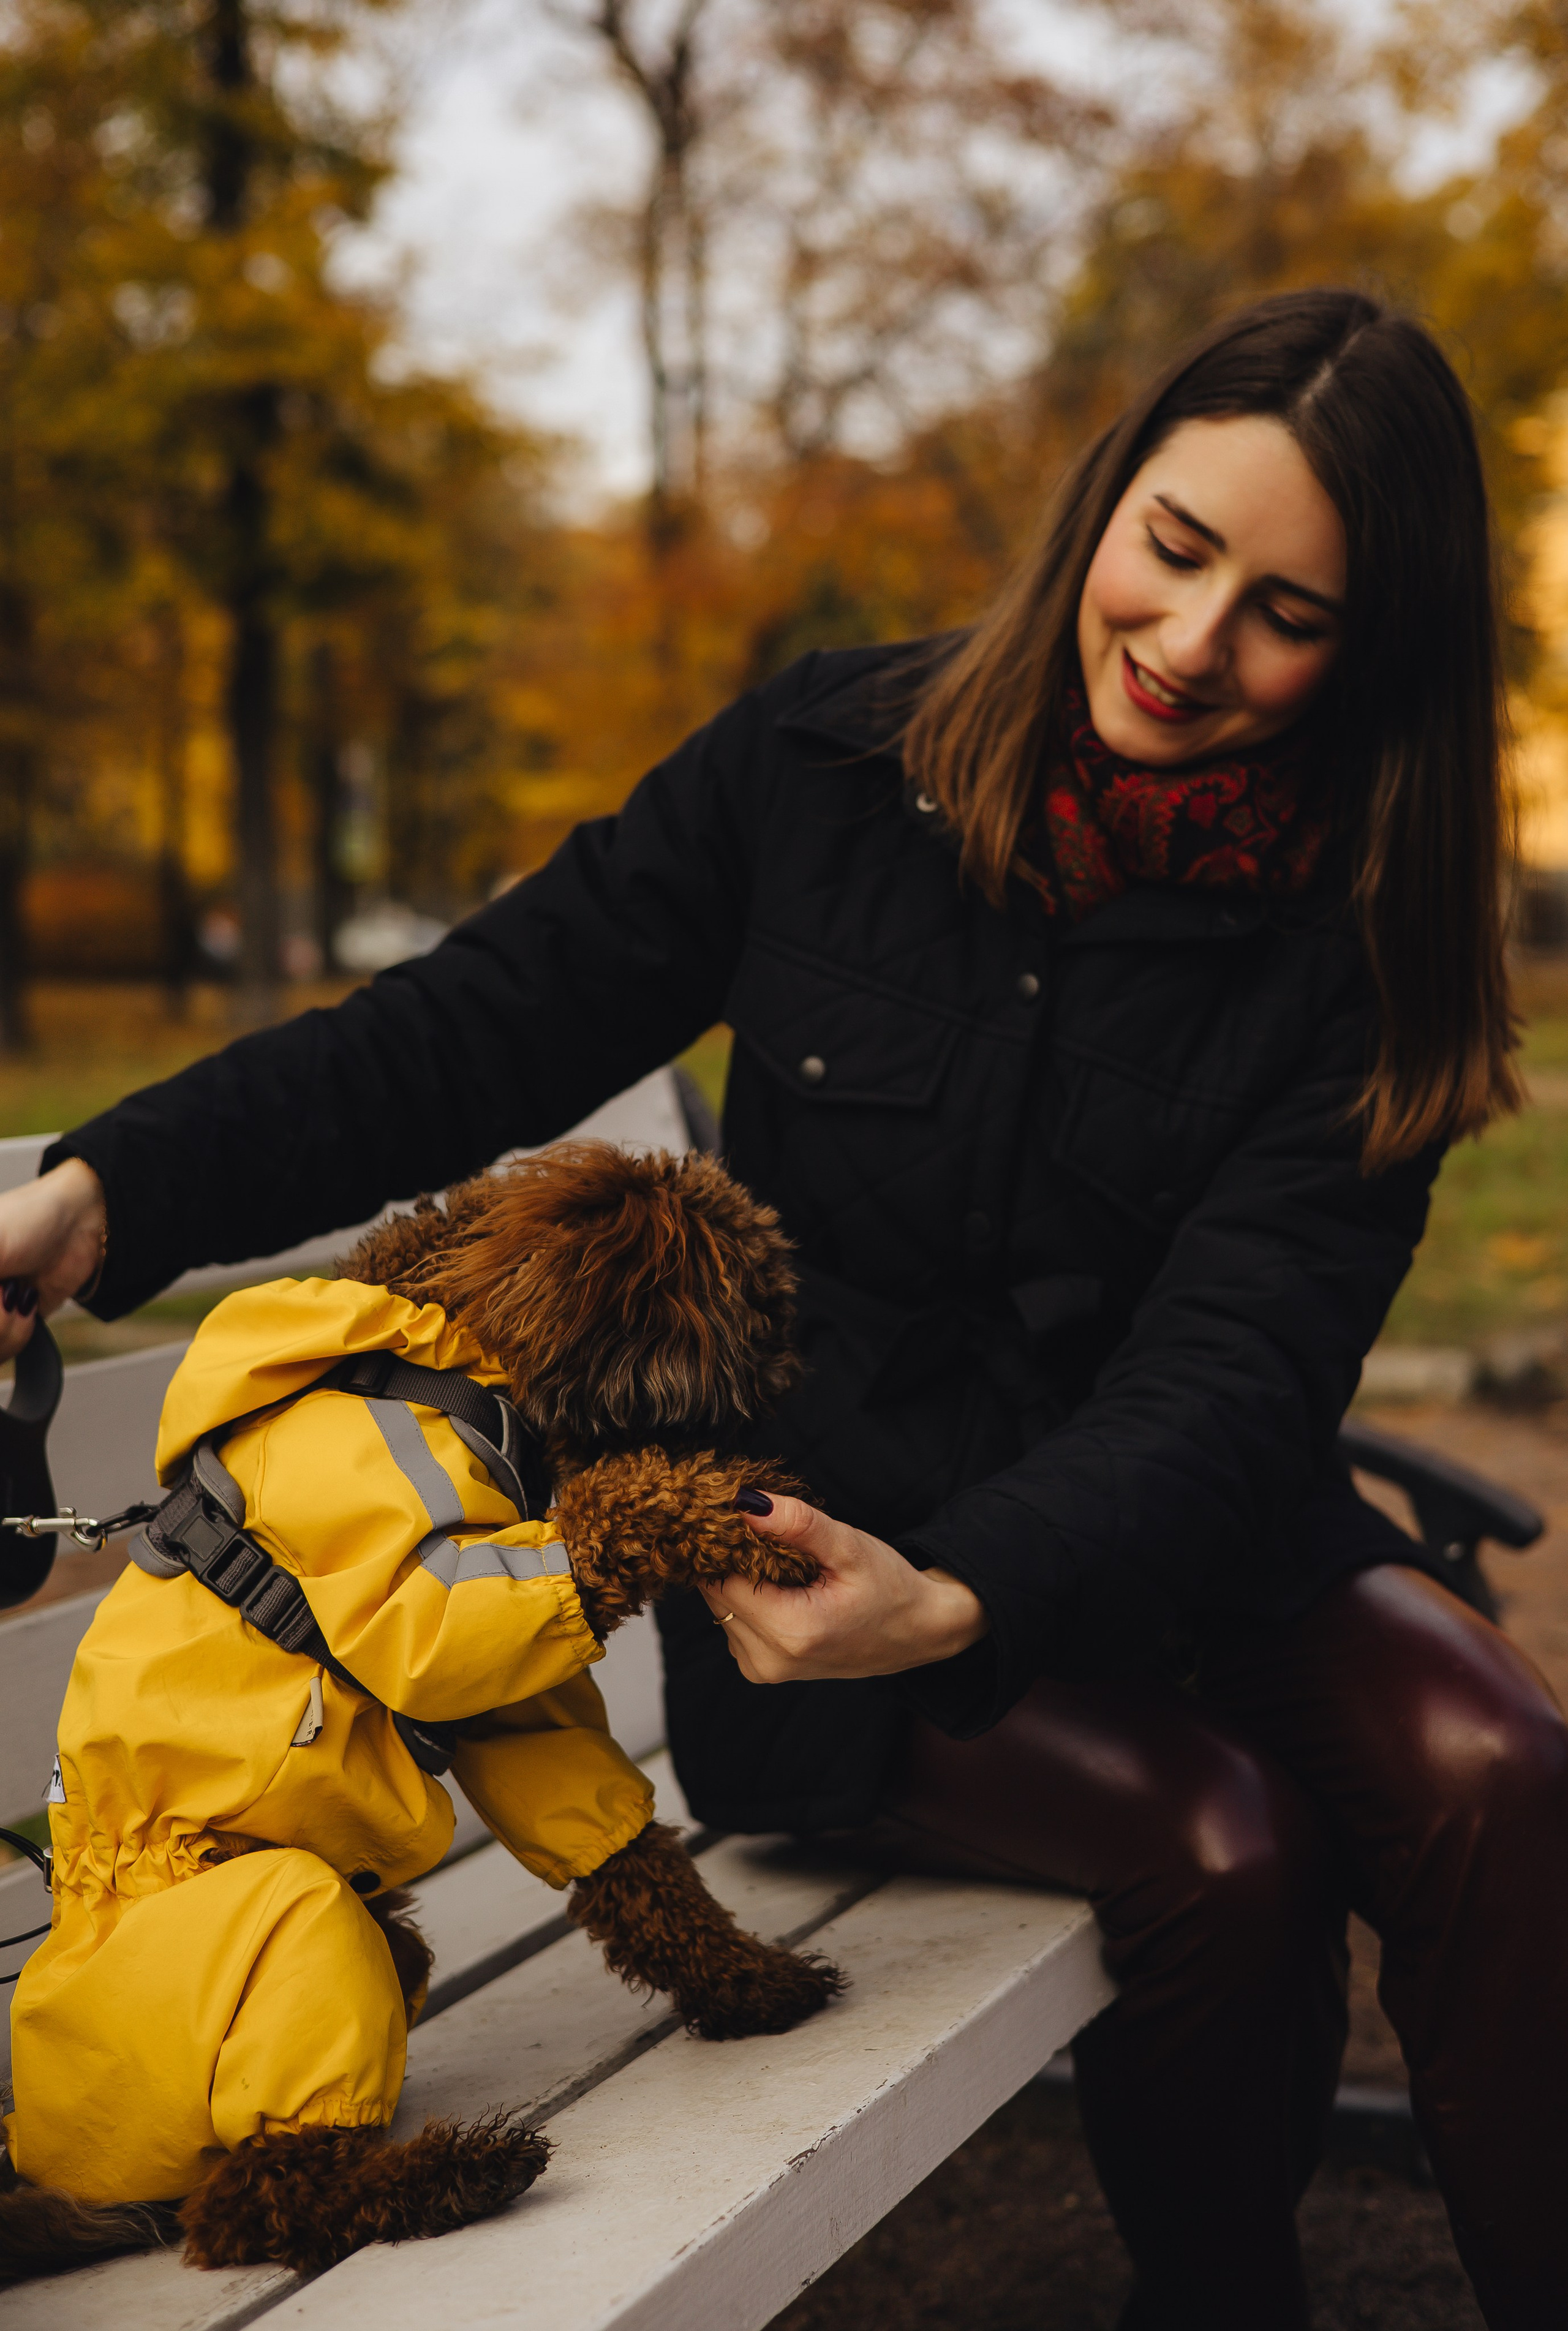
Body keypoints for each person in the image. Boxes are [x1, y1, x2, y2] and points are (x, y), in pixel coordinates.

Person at [2, 288, 1561, 2329]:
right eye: (1176, 552)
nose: (1191, 648)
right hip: (825, 1601)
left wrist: (982, 1582)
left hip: (1179, 1546)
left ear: (1379, 654)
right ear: (1110, 501)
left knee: (1495, 1765)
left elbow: (1239, 1367)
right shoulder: (825, 764)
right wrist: (112, 1189)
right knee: (1230, 1843)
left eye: (1290, 614)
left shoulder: (1367, 930)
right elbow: (467, 1031)